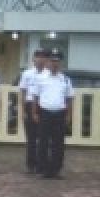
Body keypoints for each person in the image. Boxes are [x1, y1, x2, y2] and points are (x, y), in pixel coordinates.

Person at [30, 48, 73, 179]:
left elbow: (69, 98)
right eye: (52, 61)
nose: (55, 63)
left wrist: (68, 115)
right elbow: (35, 97)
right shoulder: (40, 78)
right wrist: (34, 113)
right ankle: (43, 169)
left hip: (59, 114)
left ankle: (56, 169)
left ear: (61, 63)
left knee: (58, 143)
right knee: (43, 142)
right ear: (48, 62)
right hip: (45, 113)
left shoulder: (65, 80)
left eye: (57, 61)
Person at [18, 48, 48, 174]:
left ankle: (43, 163)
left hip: (44, 106)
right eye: (38, 57)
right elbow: (23, 92)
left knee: (44, 137)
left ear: (46, 59)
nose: (40, 59)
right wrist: (23, 110)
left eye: (43, 57)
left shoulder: (49, 73)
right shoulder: (27, 73)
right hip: (30, 105)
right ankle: (31, 165)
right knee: (31, 137)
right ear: (33, 59)